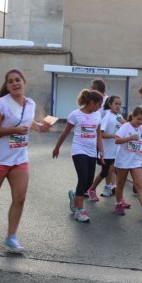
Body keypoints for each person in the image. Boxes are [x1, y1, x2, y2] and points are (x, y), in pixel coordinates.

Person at [0, 68, 49, 253]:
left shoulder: (30, 103)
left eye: (18, 80)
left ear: (24, 82)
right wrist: (13, 131)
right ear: (6, 85)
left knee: (20, 199)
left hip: (20, 158)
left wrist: (40, 127)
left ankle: (11, 236)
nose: (15, 83)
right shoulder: (0, 104)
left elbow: (27, 121)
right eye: (11, 81)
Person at [52, 89, 104, 223]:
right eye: (99, 104)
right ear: (91, 103)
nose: (100, 107)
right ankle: (79, 211)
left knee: (88, 182)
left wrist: (101, 152)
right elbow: (65, 132)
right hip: (78, 150)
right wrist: (57, 147)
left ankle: (76, 195)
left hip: (92, 151)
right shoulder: (75, 114)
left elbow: (98, 135)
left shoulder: (97, 115)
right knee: (83, 178)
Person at [114, 107, 142, 220]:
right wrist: (130, 138)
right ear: (133, 116)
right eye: (138, 119)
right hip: (123, 160)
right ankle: (119, 204)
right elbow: (117, 140)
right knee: (120, 184)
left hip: (136, 161)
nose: (140, 122)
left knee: (139, 185)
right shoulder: (125, 126)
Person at [86, 96, 125, 200]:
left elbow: (126, 127)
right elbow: (100, 133)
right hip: (106, 151)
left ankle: (108, 188)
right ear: (110, 104)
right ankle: (92, 189)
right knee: (105, 172)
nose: (118, 106)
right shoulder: (107, 117)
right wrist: (113, 135)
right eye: (116, 104)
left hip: (115, 151)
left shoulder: (119, 116)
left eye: (120, 104)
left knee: (111, 170)